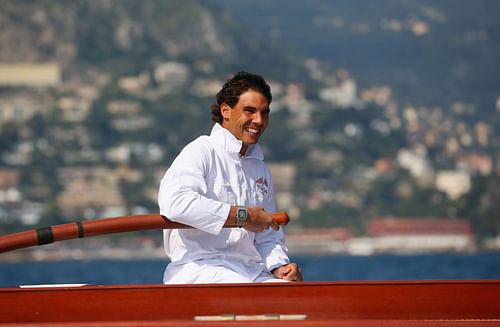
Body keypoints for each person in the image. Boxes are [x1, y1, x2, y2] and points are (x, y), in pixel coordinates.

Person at [158, 71, 302, 284]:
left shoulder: (261, 170)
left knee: (295, 293)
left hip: (250, 272)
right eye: (250, 111)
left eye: (264, 113)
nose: (259, 120)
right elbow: (176, 203)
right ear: (226, 110)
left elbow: (268, 234)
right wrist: (243, 216)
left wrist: (279, 266)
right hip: (199, 269)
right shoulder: (201, 151)